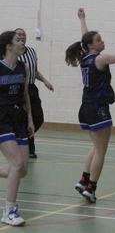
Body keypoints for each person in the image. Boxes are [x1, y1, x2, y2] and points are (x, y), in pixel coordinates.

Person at [65, 8, 115, 203]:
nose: (102, 41)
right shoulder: (101, 58)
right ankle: (91, 188)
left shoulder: (85, 57)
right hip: (98, 108)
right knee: (101, 150)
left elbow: (84, 37)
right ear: (91, 45)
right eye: (98, 39)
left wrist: (82, 19)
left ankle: (83, 180)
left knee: (96, 146)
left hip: (85, 108)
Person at [0, 31, 35, 226]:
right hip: (1, 118)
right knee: (16, 164)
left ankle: (10, 210)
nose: (22, 42)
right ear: (8, 45)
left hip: (19, 117)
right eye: (18, 40)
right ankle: (9, 211)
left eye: (23, 40)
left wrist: (29, 119)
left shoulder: (24, 66)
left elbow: (25, 95)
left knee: (22, 170)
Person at [14, 28, 54, 159]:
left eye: (23, 35)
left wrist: (45, 81)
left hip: (31, 88)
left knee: (38, 117)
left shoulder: (31, 51)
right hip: (18, 89)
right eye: (19, 35)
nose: (22, 37)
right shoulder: (12, 53)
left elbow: (34, 71)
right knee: (24, 119)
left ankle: (22, 139)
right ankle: (29, 149)